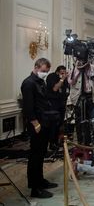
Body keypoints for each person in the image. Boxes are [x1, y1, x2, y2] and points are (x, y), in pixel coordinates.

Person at [21, 58, 58, 198]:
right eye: (43, 71)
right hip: (36, 124)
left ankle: (41, 181)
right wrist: (35, 123)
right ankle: (34, 188)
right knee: (35, 156)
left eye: (47, 72)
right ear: (36, 67)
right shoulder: (28, 83)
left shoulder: (40, 82)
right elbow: (28, 108)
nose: (45, 74)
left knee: (42, 153)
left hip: (44, 123)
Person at [68, 60, 94, 145]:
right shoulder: (74, 69)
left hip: (90, 96)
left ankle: (89, 140)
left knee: (90, 119)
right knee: (79, 119)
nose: (82, 63)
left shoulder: (90, 68)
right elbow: (71, 81)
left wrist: (87, 68)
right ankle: (80, 140)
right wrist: (79, 70)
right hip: (78, 97)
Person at [46, 65, 70, 150]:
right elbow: (55, 88)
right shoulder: (52, 77)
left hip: (61, 105)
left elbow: (66, 91)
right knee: (53, 125)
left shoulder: (65, 80)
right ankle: (51, 143)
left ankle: (56, 142)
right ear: (57, 72)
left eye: (65, 73)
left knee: (59, 124)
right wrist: (62, 79)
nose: (63, 74)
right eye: (62, 73)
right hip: (53, 105)